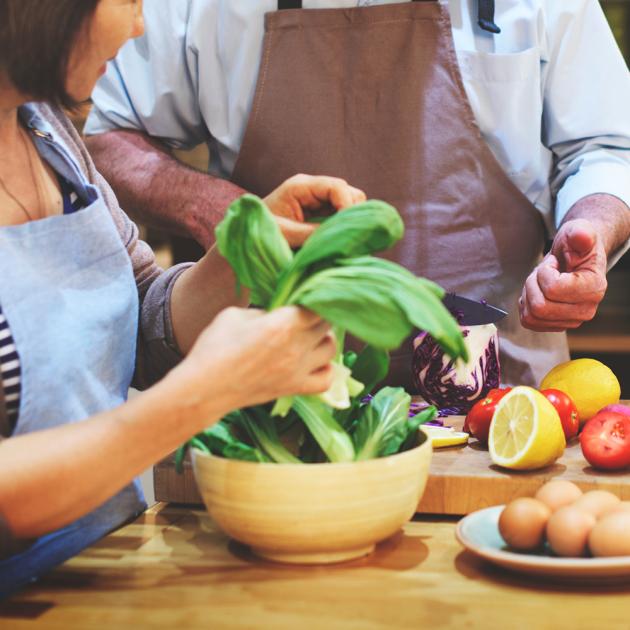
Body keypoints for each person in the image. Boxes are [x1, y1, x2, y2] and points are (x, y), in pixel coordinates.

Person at [0, 0, 367, 597]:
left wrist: (243, 249)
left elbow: (139, 312)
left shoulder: (47, 131)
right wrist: (201, 395)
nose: (139, 25)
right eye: (129, 1)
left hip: (106, 580)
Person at [84, 0, 630, 389]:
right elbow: (102, 134)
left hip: (502, 403)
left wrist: (593, 228)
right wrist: (224, 215)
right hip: (278, 396)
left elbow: (608, 146)